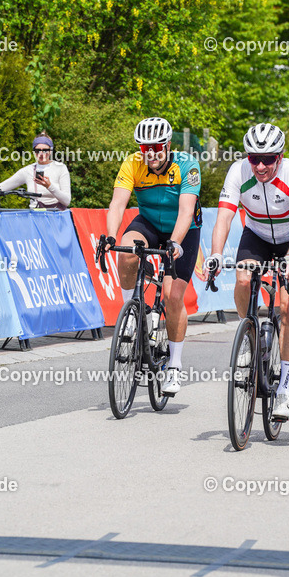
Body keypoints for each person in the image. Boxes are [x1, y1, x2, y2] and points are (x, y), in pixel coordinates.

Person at [205, 123, 289, 422]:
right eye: (254, 158)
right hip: (258, 236)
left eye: (268, 159)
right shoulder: (238, 172)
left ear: (280, 156)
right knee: (242, 277)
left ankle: (285, 390)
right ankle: (248, 333)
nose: (261, 166)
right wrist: (215, 253)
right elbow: (224, 217)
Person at [97, 117, 201, 396]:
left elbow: (186, 212)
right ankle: (131, 312)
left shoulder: (187, 165)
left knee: (172, 296)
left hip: (184, 230)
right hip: (150, 224)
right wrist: (109, 236)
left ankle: (175, 366)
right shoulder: (133, 162)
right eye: (145, 148)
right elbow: (118, 203)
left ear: (167, 145)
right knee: (127, 249)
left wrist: (175, 243)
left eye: (156, 147)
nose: (150, 153)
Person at [0, 132, 71, 210]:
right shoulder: (28, 170)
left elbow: (66, 201)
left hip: (57, 217)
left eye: (45, 150)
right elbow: (1, 187)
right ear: (33, 151)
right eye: (38, 150)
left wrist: (49, 186)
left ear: (51, 150)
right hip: (36, 219)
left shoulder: (60, 168)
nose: (41, 154)